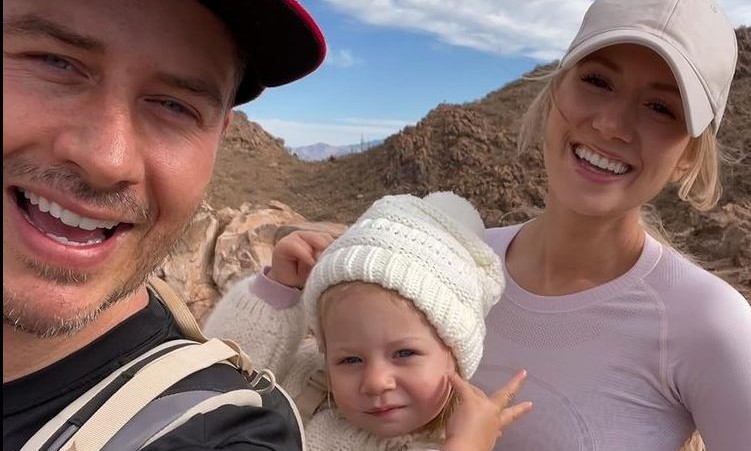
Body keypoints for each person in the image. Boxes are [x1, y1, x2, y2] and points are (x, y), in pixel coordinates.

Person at [3, 0, 327, 449]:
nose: (107, 160)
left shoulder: (220, 431)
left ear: (219, 139)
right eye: (56, 62)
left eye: (174, 106)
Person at [472, 0, 751, 450]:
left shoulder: (712, 324)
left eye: (661, 108)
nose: (611, 125)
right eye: (597, 81)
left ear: (687, 157)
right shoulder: (458, 262)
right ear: (555, 93)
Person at [204, 192, 533, 450]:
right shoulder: (309, 379)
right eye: (350, 359)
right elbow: (215, 378)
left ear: (456, 356)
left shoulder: (444, 442)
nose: (376, 382)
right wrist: (276, 289)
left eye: (404, 354)